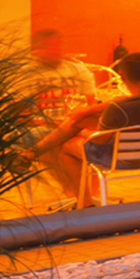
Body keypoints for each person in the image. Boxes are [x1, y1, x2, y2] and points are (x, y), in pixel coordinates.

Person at [48, 52, 140, 203]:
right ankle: (31, 153)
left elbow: (99, 140)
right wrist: (90, 112)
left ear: (121, 76)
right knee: (83, 123)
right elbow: (134, 100)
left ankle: (85, 203)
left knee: (68, 148)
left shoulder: (117, 109)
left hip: (122, 160)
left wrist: (82, 131)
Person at [23, 30, 102, 200]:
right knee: (47, 141)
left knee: (90, 141)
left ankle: (86, 194)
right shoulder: (25, 74)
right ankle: (75, 191)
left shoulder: (78, 70)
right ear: (35, 50)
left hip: (74, 125)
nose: (54, 50)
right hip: (40, 126)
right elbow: (20, 114)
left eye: (57, 46)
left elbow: (91, 104)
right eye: (48, 47)